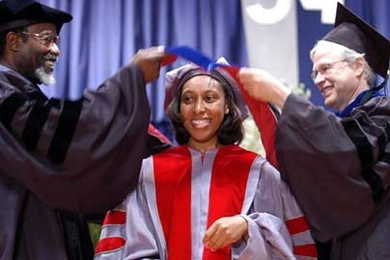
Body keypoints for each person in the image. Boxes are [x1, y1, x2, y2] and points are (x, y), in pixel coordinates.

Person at [0, 0, 171, 259]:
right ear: (13, 41)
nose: (56, 50)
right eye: (46, 38)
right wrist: (131, 77)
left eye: (56, 40)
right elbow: (64, 136)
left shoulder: (23, 95)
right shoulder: (4, 94)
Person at [94, 61, 317, 260]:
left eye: (210, 98)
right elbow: (119, 248)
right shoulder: (149, 173)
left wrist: (248, 226)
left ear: (227, 106)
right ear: (178, 109)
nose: (198, 109)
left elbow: (291, 245)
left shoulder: (257, 171)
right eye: (188, 99)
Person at [237, 3, 390, 260]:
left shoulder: (384, 114)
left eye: (326, 68)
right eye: (315, 72)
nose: (318, 79)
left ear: (358, 66)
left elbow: (345, 149)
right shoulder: (344, 121)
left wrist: (280, 94)